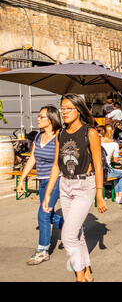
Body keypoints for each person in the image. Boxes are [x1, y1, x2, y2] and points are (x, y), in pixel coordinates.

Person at [42, 94, 107, 282]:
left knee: (68, 236)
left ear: (78, 110)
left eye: (69, 108)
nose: (64, 112)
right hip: (65, 184)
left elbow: (98, 165)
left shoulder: (91, 133)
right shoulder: (60, 134)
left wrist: (100, 195)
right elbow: (56, 165)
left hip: (84, 185)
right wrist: (48, 195)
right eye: (62, 108)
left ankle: (79, 276)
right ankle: (87, 272)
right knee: (77, 234)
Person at [18, 106, 64, 265]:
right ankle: (71, 229)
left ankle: (43, 250)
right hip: (42, 181)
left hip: (56, 180)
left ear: (51, 119)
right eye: (38, 116)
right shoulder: (38, 136)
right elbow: (32, 158)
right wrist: (22, 179)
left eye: (41, 116)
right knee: (49, 215)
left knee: (43, 214)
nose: (38, 119)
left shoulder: (59, 136)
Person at [101, 124, 122, 204]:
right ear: (112, 132)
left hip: (96, 171)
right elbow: (116, 160)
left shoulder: (98, 142)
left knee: (117, 173)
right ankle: (120, 197)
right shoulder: (114, 144)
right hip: (107, 171)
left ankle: (117, 195)